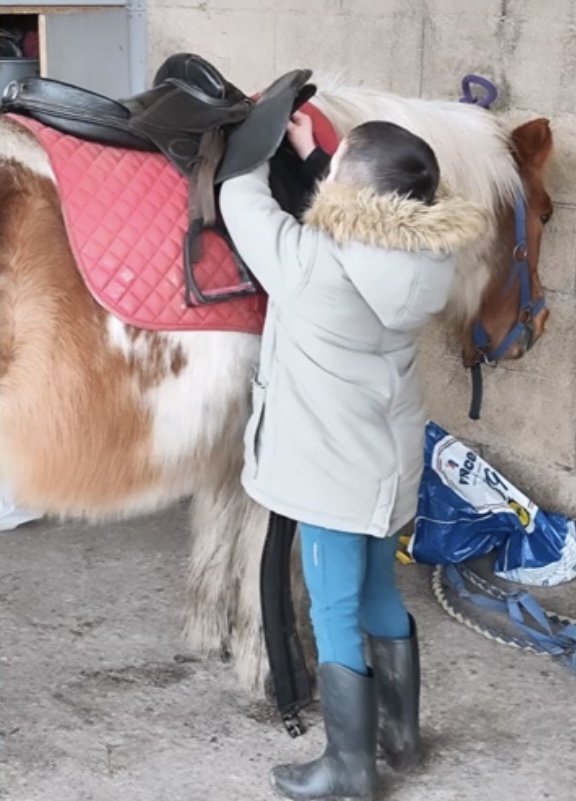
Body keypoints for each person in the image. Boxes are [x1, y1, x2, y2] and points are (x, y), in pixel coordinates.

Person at [220, 112, 487, 801]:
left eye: (336, 171)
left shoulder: (308, 265)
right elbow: (361, 220)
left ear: (348, 191)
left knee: (333, 610)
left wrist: (253, 141)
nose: (327, 178)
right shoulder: (424, 258)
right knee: (377, 592)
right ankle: (400, 737)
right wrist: (319, 156)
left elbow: (237, 199)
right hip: (386, 469)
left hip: (329, 475)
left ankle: (348, 768)